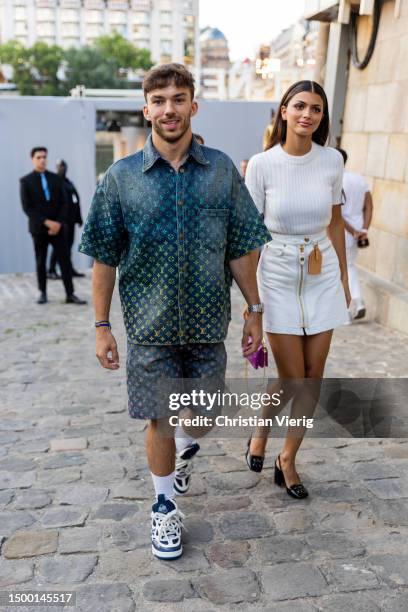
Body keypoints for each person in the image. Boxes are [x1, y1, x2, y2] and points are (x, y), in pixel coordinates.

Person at [79, 63, 270, 560]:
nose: (169, 109)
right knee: (160, 420)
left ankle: (186, 450)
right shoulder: (120, 179)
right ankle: (163, 507)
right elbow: (104, 257)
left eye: (178, 98)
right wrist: (102, 326)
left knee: (202, 417)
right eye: (159, 100)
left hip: (209, 325)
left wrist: (254, 309)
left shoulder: (222, 170)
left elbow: (242, 245)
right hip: (149, 326)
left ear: (192, 106)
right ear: (146, 109)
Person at [245, 80, 351, 499]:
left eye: (317, 109)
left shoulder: (331, 161)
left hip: (321, 270)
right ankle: (261, 428)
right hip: (278, 271)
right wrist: (253, 302)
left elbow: (337, 222)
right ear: (284, 111)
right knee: (292, 378)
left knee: (314, 377)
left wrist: (342, 278)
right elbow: (251, 236)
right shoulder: (262, 164)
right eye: (300, 106)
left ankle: (287, 458)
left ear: (322, 118)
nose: (308, 114)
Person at [20, 147, 87, 305]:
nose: (42, 159)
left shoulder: (55, 179)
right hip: (39, 228)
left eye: (44, 157)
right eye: (39, 157)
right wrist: (46, 222)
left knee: (64, 260)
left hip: (58, 227)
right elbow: (27, 208)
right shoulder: (26, 181)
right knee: (41, 261)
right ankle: (42, 293)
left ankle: (70, 294)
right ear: (32, 159)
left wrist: (58, 222)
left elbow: (64, 203)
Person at [337, 148, 373, 320]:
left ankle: (349, 308)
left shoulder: (335, 181)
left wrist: (354, 231)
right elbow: (369, 206)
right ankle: (357, 303)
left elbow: (336, 214)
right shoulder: (359, 179)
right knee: (349, 266)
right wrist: (363, 230)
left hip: (342, 230)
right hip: (357, 228)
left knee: (342, 268)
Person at [48, 159, 84, 279]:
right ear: (56, 168)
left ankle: (69, 269)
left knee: (68, 245)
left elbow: (76, 200)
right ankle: (51, 270)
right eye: (59, 166)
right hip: (61, 221)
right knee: (58, 246)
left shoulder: (69, 182)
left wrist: (79, 218)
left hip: (71, 220)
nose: (62, 168)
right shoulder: (54, 182)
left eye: (63, 166)